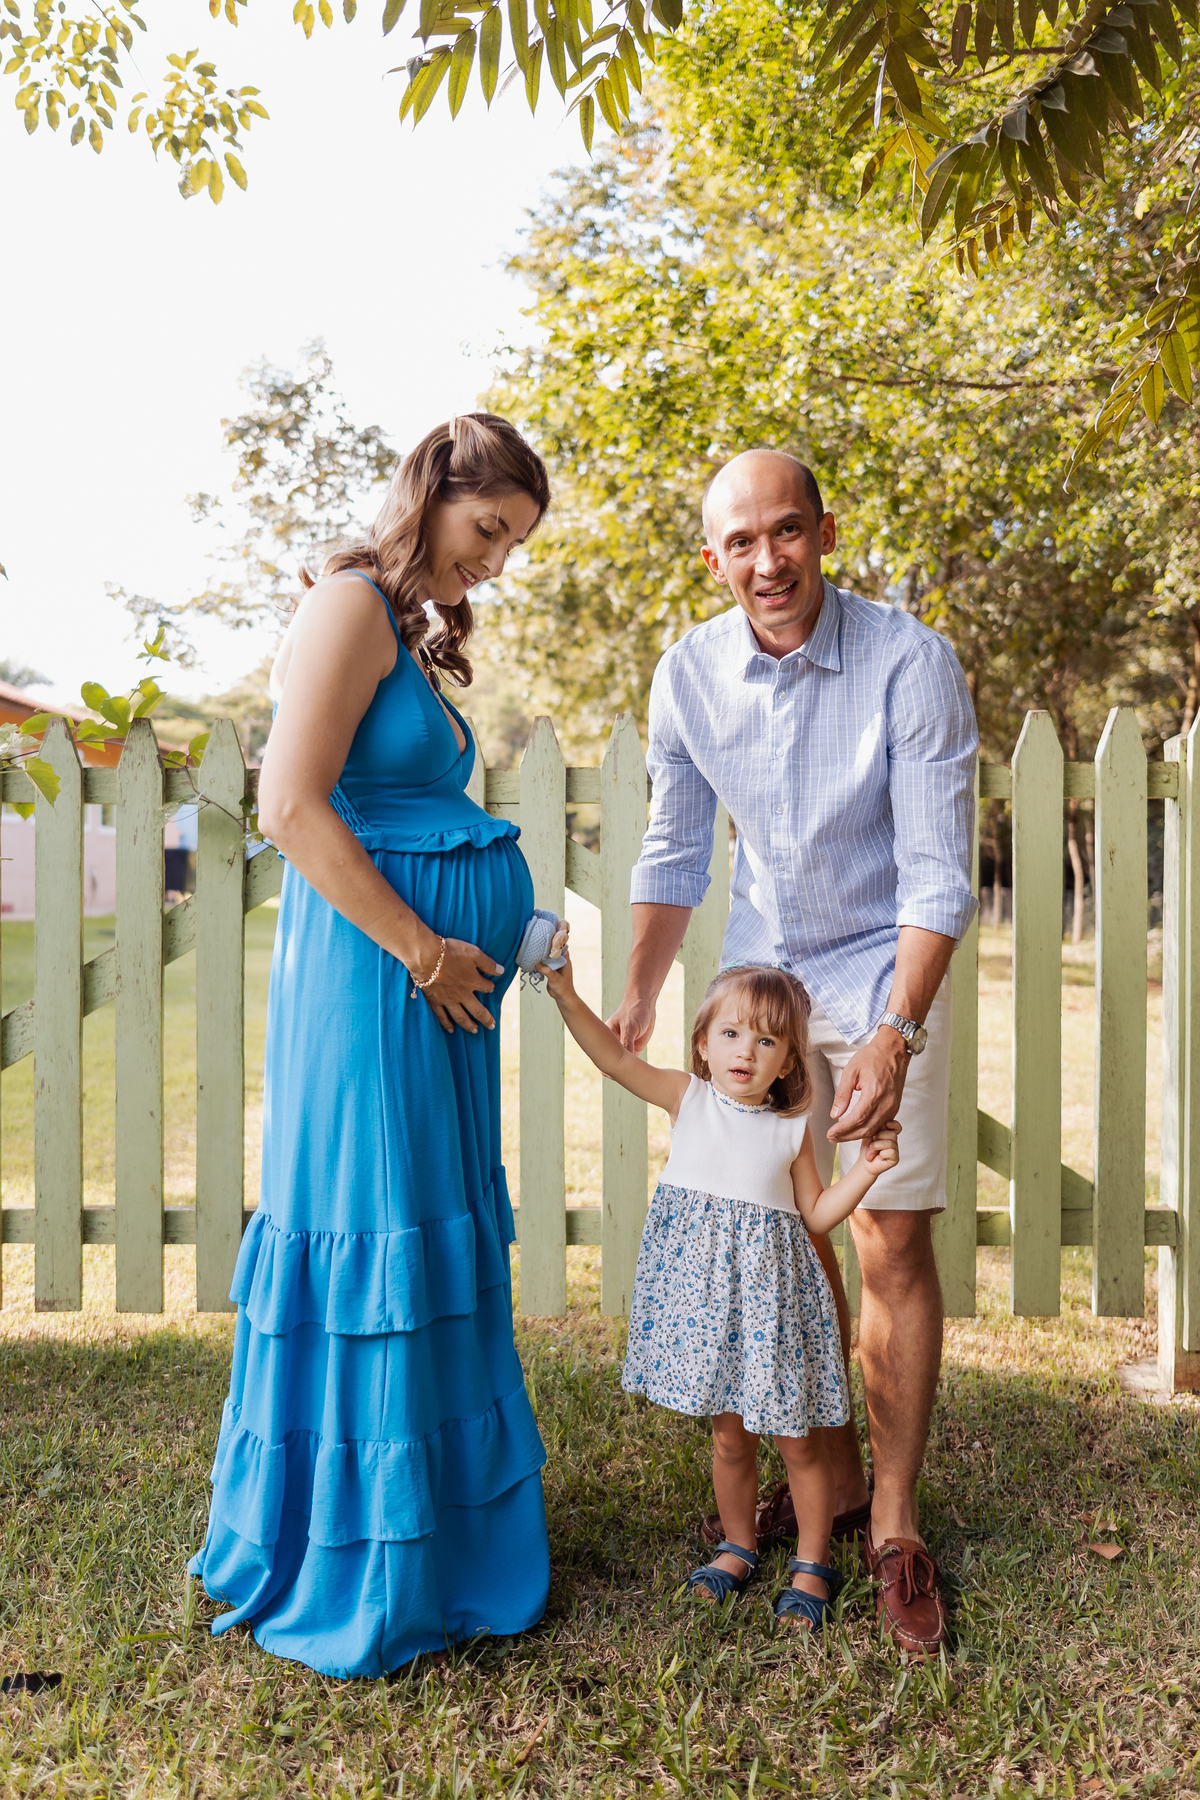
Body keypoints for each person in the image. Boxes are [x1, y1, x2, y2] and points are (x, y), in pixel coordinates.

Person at [188, 414, 553, 1678]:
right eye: (488, 529)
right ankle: (364, 1555)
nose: (498, 561)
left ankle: (438, 1540)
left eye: (515, 544)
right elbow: (288, 804)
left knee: (428, 1216)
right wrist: (424, 948)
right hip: (380, 979)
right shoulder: (347, 602)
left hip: (435, 991)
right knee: (377, 1220)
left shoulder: (406, 629)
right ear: (434, 495)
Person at [609, 448, 977, 1656]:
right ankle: (824, 1476)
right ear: (712, 558)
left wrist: (896, 1032)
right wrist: (642, 990)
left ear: (824, 530)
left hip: (882, 980)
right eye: (740, 543)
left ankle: (895, 1521)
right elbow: (673, 850)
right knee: (785, 1246)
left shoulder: (909, 663)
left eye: (786, 533)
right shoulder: (688, 672)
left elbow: (936, 874)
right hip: (764, 992)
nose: (766, 561)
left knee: (892, 1239)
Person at [539, 955, 900, 1631]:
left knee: (796, 1439)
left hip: (771, 1308)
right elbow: (615, 1063)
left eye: (767, 1040)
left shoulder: (790, 1130)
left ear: (790, 1061)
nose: (747, 1051)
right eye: (732, 1034)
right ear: (703, 1044)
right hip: (706, 1308)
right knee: (729, 1437)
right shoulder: (688, 1099)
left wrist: (868, 1171)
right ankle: (738, 1544)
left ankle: (812, 1561)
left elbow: (817, 1214)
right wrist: (566, 993)